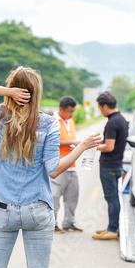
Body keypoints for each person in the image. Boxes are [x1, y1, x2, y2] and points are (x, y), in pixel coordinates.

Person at [0, 66, 101, 268]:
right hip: (37, 210)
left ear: (14, 89)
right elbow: (54, 170)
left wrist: (9, 93)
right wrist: (83, 146)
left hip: (3, 209)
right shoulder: (49, 124)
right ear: (37, 93)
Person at [92, 91, 129, 240]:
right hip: (116, 164)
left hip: (109, 165)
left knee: (111, 198)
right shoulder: (121, 119)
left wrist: (93, 146)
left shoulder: (112, 122)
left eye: (100, 108)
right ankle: (112, 227)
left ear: (105, 106)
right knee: (113, 198)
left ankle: (112, 230)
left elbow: (109, 147)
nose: (100, 111)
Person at [51, 96, 82, 233]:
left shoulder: (71, 122)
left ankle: (69, 223)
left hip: (71, 165)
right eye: (69, 111)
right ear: (61, 109)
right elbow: (51, 142)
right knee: (54, 197)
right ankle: (52, 224)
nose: (71, 114)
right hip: (57, 165)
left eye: (73, 111)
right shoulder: (52, 121)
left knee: (72, 196)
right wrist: (72, 143)